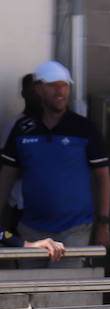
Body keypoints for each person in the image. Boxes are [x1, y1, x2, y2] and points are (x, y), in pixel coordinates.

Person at [0, 61, 110, 255]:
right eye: (53, 85)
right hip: (31, 229)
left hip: (75, 229)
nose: (60, 91)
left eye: (64, 85)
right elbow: (7, 175)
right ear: (38, 89)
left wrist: (103, 223)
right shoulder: (22, 128)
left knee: (69, 285)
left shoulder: (84, 128)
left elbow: (103, 176)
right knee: (32, 285)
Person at [1, 73, 42, 233]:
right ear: (23, 93)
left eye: (38, 90)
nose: (36, 95)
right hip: (21, 204)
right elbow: (7, 166)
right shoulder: (16, 124)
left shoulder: (57, 125)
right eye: (31, 91)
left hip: (51, 207)